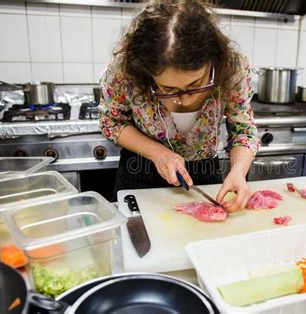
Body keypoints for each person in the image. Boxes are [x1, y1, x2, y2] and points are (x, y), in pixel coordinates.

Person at [99, 0, 259, 212]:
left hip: (204, 174)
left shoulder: (233, 68)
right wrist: (158, 153)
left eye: (196, 84)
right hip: (139, 173)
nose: (185, 100)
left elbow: (243, 130)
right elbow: (112, 122)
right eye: (167, 88)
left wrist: (238, 172)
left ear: (214, 60)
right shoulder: (125, 69)